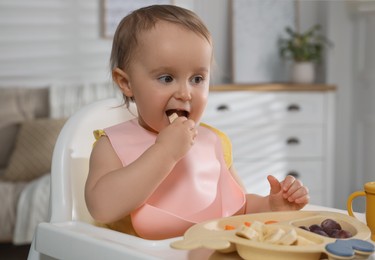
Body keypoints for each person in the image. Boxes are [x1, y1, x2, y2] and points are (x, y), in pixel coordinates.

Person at [85, 4, 309, 240]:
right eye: (166, 78)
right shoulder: (111, 145)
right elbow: (101, 208)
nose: (185, 92)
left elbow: (236, 209)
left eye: (197, 78)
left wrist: (271, 206)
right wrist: (165, 152)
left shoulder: (214, 142)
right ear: (126, 83)